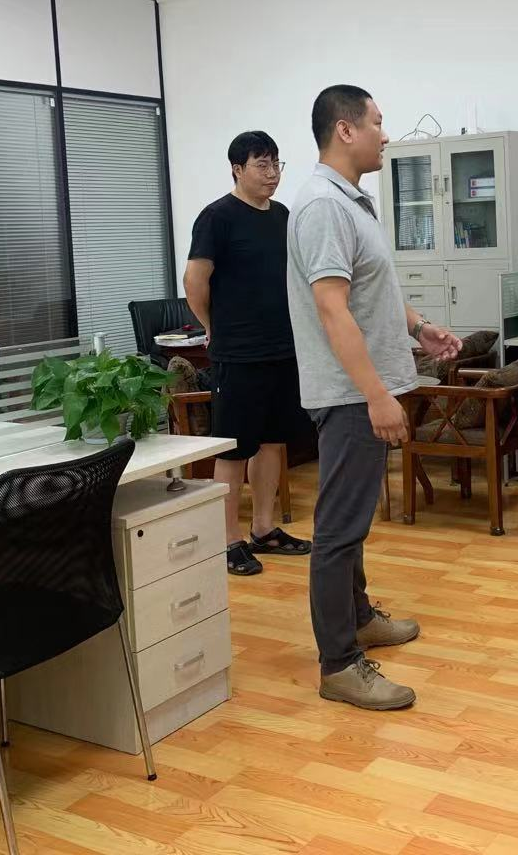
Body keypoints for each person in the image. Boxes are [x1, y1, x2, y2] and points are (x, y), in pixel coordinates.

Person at [286, 85, 461, 711]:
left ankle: (359, 618)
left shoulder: (350, 203)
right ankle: (339, 664)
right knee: (337, 531)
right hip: (349, 395)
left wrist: (418, 327)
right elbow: (332, 310)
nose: (386, 135)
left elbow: (368, 290)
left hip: (362, 389)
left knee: (353, 521)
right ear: (345, 130)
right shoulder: (322, 207)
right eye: (378, 123)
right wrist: (376, 395)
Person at [184, 130, 312, 577]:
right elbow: (194, 282)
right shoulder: (216, 217)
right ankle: (228, 541)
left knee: (273, 441)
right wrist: (212, 327)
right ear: (237, 169)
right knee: (235, 448)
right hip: (237, 354)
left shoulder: (282, 216)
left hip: (282, 348)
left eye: (276, 164)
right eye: (262, 164)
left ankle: (263, 528)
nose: (272, 173)